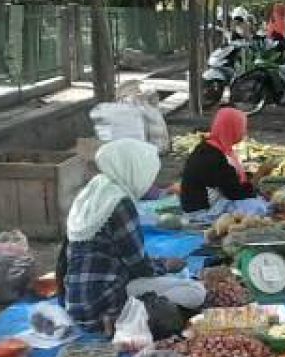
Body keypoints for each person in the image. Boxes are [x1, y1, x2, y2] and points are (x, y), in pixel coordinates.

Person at [62, 139, 198, 334]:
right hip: (105, 301)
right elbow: (139, 266)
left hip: (76, 303)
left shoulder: (93, 191)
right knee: (195, 292)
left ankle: (123, 316)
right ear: (134, 168)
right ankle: (120, 318)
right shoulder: (119, 202)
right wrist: (166, 265)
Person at [180, 107, 271, 221]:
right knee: (258, 207)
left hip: (200, 205)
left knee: (258, 201)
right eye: (241, 128)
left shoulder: (210, 147)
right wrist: (260, 174)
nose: (244, 132)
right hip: (201, 212)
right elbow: (236, 193)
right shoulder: (213, 157)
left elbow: (230, 180)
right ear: (231, 129)